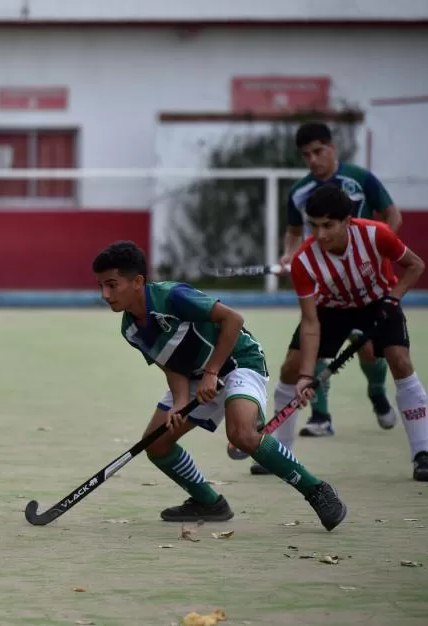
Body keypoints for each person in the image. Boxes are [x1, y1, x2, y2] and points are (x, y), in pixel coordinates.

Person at [93, 240, 346, 530]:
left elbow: (233, 320)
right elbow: (170, 364)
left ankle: (317, 490)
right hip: (195, 375)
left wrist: (213, 371)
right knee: (157, 443)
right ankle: (209, 502)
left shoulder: (174, 296)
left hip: (238, 361)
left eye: (112, 285)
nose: (105, 294)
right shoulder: (130, 329)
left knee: (241, 434)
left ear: (137, 282)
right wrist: (179, 402)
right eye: (101, 286)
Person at [288, 186, 427, 481]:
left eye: (328, 225)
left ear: (347, 221)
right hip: (332, 309)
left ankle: (422, 453)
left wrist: (394, 297)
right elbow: (311, 322)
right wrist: (305, 375)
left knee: (399, 360)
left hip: (378, 302)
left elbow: (415, 266)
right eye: (314, 225)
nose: (320, 234)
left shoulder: (377, 234)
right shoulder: (303, 260)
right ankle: (278, 453)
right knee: (291, 366)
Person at [279, 121, 403, 439]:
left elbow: (392, 215)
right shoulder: (299, 193)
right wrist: (287, 255)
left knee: (369, 351)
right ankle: (321, 416)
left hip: (365, 284)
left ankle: (377, 393)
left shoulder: (361, 179)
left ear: (332, 148)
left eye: (318, 151)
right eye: (306, 155)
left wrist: (376, 257)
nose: (313, 160)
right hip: (325, 285)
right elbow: (294, 233)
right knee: (314, 344)